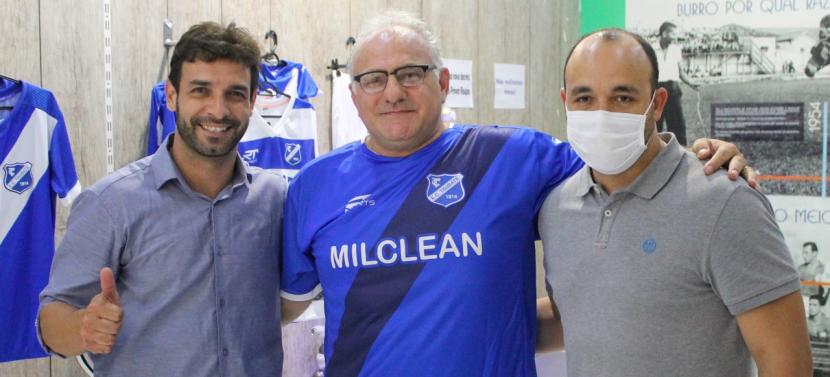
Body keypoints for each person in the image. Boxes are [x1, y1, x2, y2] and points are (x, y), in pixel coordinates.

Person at [279, 11, 755, 376]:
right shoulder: (315, 187)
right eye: (373, 79)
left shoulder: (515, 158)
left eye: (410, 73)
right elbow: (282, 308)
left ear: (442, 83)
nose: (392, 92)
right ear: (354, 92)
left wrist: (704, 161)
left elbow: (629, 165)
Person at [536, 28, 812, 376]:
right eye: (584, 98)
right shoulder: (557, 209)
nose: (602, 114)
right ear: (565, 102)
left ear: (658, 104)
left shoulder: (725, 202)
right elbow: (576, 318)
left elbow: (788, 364)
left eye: (623, 98)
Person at [37, 22, 286, 376]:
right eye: (200, 90)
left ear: (252, 101)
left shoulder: (276, 199)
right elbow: (51, 322)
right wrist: (82, 327)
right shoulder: (110, 204)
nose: (218, 110)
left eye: (234, 93)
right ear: (171, 96)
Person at [653, 22, 698, 146]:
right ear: (664, 33)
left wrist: (691, 83)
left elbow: (681, 72)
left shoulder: (676, 50)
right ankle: (654, 156)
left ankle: (682, 153)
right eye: (673, 33)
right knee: (655, 126)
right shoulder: (651, 49)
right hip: (656, 91)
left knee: (678, 125)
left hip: (673, 90)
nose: (675, 36)